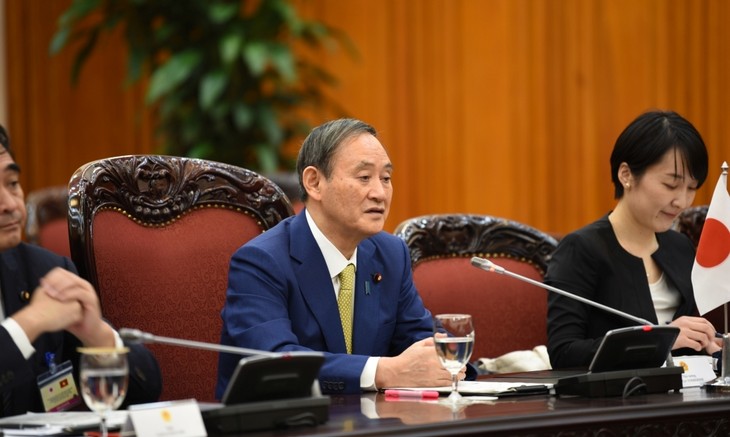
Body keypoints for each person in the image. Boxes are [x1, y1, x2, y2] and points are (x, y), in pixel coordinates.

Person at [216, 118, 466, 397]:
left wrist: (442, 362)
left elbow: (421, 342)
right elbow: (276, 362)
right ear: (314, 182)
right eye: (364, 178)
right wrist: (383, 371)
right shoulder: (261, 262)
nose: (380, 193)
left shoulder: (391, 254)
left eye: (386, 178)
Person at [0, 125, 161, 417]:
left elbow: (146, 390)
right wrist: (29, 323)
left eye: (12, 183)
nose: (11, 205)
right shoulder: (39, 306)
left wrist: (99, 339)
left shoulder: (43, 271)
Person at [545, 110, 722, 369]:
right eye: (671, 185)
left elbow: (683, 345)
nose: (681, 201)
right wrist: (664, 339)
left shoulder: (680, 247)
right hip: (616, 404)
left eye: (692, 188)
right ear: (626, 175)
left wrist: (708, 342)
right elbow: (564, 353)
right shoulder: (581, 249)